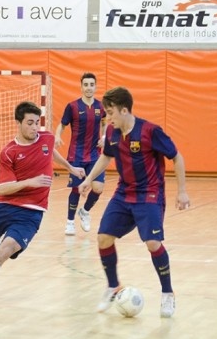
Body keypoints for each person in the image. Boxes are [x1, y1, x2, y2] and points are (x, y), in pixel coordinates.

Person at [0, 101, 85, 306]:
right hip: (4, 207)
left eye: (37, 123)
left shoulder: (46, 137)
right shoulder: (9, 152)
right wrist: (30, 182)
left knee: (7, 249)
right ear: (18, 123)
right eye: (29, 123)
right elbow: (2, 189)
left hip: (31, 213)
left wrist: (71, 168)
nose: (34, 127)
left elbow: (51, 152)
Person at [78, 86, 190, 318]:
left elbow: (177, 157)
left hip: (149, 194)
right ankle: (113, 286)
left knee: (152, 243)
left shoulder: (150, 131)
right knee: (103, 238)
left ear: (125, 110)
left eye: (111, 113)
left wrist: (182, 191)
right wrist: (89, 179)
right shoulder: (112, 132)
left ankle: (168, 293)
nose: (108, 118)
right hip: (123, 193)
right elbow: (106, 156)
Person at [55, 72, 107, 236]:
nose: (89, 88)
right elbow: (62, 125)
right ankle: (70, 222)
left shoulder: (101, 107)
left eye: (92, 84)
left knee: (98, 188)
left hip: (94, 155)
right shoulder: (73, 107)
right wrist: (57, 136)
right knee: (77, 189)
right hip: (76, 155)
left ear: (95, 86)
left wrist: (104, 137)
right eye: (86, 84)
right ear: (81, 87)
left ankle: (84, 211)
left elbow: (105, 123)